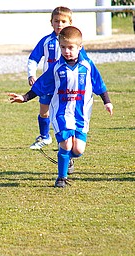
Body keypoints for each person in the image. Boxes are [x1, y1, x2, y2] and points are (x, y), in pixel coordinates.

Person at [9, 26, 113, 188]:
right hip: (61, 112)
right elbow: (41, 85)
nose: (67, 51)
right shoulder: (56, 67)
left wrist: (107, 101)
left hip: (81, 114)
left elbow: (99, 84)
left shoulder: (87, 65)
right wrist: (24, 97)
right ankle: (61, 178)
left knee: (78, 150)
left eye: (70, 47)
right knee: (66, 144)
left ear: (80, 47)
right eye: (63, 47)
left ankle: (65, 157)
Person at [27, 6, 74, 150]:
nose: (59, 24)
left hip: (66, 84)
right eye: (56, 21)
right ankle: (45, 136)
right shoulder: (46, 41)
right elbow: (33, 58)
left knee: (65, 112)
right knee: (44, 110)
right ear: (51, 22)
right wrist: (31, 74)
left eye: (63, 21)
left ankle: (67, 140)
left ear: (70, 23)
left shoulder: (73, 41)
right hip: (48, 83)